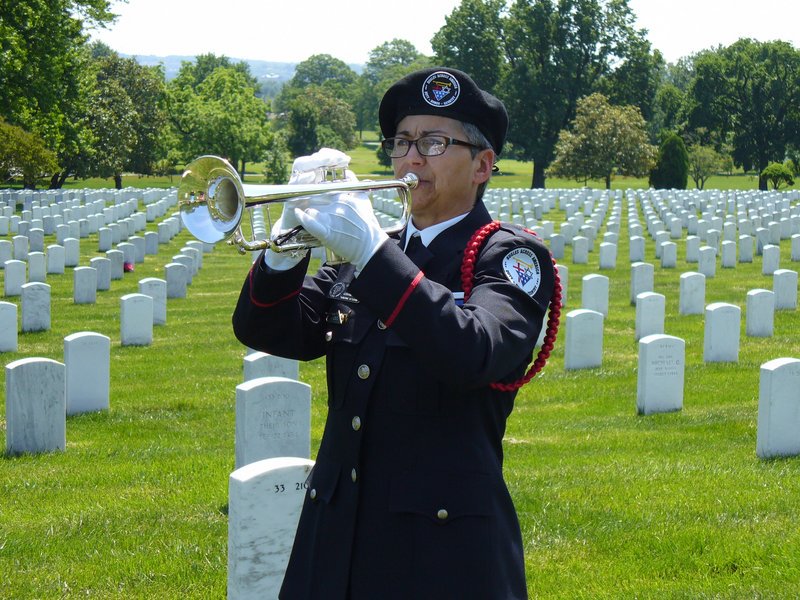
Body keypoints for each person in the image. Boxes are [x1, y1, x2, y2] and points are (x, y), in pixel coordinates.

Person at [232, 66, 557, 599]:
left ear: (483, 165)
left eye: (433, 142)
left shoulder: (508, 257)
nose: (411, 158)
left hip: (440, 548)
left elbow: (474, 351)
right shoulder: (374, 248)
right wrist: (283, 247)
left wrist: (371, 254)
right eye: (402, 142)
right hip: (335, 535)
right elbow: (269, 329)